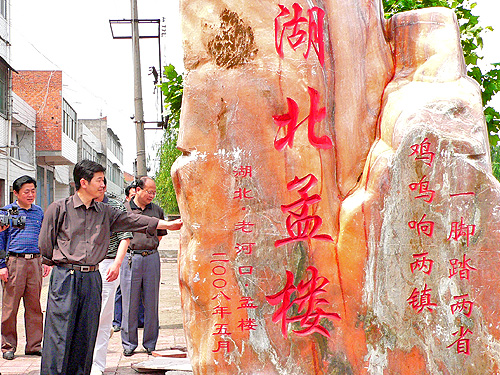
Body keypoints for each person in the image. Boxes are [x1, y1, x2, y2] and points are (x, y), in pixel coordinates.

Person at [39, 160, 182, 375]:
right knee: (59, 334)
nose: (103, 184)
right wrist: (60, 265)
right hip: (65, 278)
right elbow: (45, 245)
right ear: (83, 182)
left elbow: (135, 220)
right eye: (99, 180)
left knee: (86, 334)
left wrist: (168, 225)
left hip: (92, 278)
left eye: (103, 180)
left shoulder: (105, 212)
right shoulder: (59, 209)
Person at [0, 176, 51, 361]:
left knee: (34, 307)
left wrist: (45, 260)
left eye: (33, 191)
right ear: (16, 193)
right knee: (10, 307)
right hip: (15, 263)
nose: (31, 195)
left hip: (35, 262)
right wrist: (1, 266)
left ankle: (34, 346)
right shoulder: (8, 212)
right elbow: (0, 240)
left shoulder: (39, 212)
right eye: (26, 191)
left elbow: (44, 238)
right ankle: (8, 346)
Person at [120, 176, 166, 356]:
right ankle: (129, 344)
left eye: (154, 192)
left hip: (151, 258)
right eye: (149, 192)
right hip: (131, 258)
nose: (152, 195)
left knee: (151, 301)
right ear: (137, 190)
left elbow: (160, 235)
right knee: (129, 302)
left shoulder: (157, 210)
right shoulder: (124, 210)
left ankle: (150, 343)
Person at [90, 179, 132, 375]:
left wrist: (117, 263)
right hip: (82, 266)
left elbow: (125, 237)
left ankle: (97, 365)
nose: (99, 187)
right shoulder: (81, 206)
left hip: (107, 264)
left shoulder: (114, 206)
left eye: (101, 182)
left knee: (102, 317)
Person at [113, 182, 145, 332]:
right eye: (132, 195)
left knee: (140, 291)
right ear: (127, 197)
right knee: (121, 291)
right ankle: (118, 320)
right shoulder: (121, 211)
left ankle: (140, 319)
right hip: (125, 255)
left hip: (141, 255)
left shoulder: (147, 210)